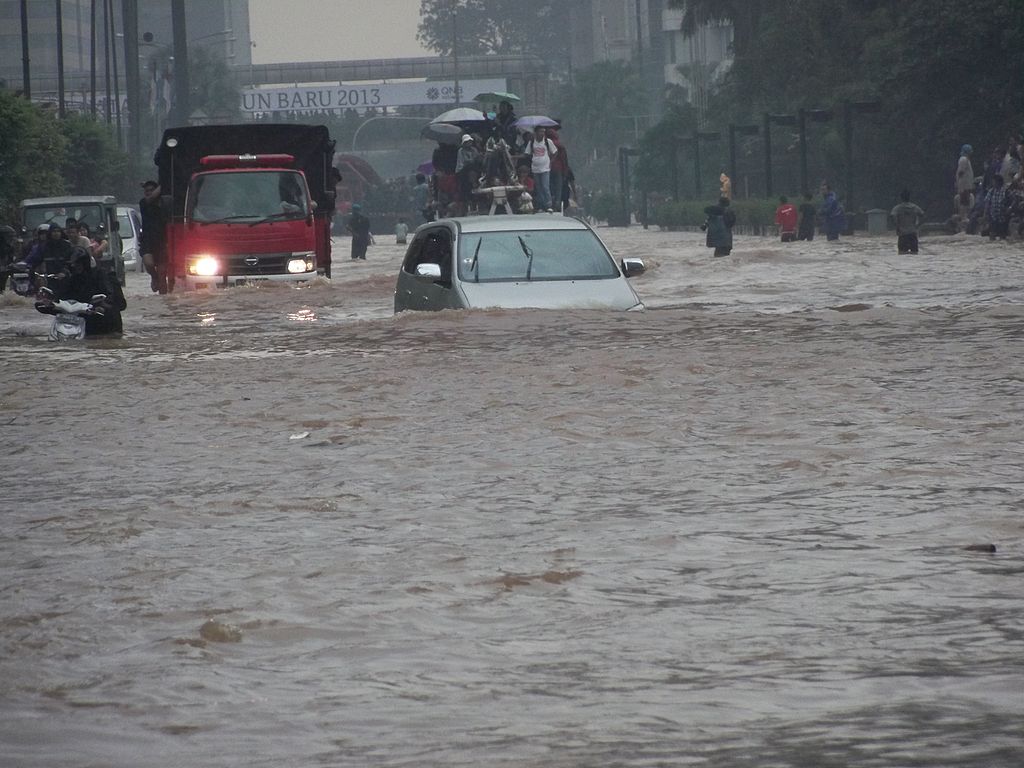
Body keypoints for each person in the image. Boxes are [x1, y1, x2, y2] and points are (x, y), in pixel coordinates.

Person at [37, 246, 126, 336]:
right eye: (73, 265)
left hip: (106, 324)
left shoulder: (102, 276)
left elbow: (114, 300)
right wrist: (49, 304)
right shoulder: (71, 280)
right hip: (80, 324)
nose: (75, 267)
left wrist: (103, 305)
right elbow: (62, 300)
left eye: (78, 264)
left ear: (85, 263)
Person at [138, 180, 169, 294]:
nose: (149, 193)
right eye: (147, 191)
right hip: (147, 239)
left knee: (162, 273)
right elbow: (150, 198)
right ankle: (153, 276)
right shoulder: (143, 203)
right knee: (149, 264)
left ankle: (163, 298)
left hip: (162, 240)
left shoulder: (164, 203)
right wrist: (162, 185)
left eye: (152, 190)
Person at [523, 126, 558, 212]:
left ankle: (548, 205)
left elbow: (555, 152)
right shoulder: (532, 143)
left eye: (543, 132)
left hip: (545, 168)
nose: (542, 134)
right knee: (538, 187)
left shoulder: (547, 142)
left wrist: (551, 161)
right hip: (535, 168)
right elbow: (527, 153)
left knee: (545, 186)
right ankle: (541, 205)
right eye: (540, 132)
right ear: (536, 133)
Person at [890, 189, 926, 254]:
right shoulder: (915, 207)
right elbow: (922, 215)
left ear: (901, 198)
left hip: (902, 235)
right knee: (915, 254)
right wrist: (917, 225)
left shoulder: (897, 208)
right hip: (913, 233)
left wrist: (897, 226)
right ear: (909, 197)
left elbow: (893, 216)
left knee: (902, 254)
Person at [455, 134, 482, 214]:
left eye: (470, 142)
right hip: (462, 170)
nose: (469, 143)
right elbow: (464, 162)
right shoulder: (461, 151)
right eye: (467, 142)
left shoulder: (474, 150)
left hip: (472, 169)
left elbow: (477, 159)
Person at [984, 174, 1009, 240]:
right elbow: (987, 203)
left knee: (1002, 235)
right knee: (992, 234)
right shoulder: (991, 191)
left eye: (994, 181)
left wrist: (1008, 210)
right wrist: (985, 214)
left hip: (1003, 217)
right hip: (993, 217)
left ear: (999, 182)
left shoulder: (1005, 191)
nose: (993, 183)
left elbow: (1010, 202)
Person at [0, 224, 18, 292]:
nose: (12, 239)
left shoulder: (10, 248)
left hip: (6, 274)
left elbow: (11, 261)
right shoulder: (5, 247)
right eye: (9, 237)